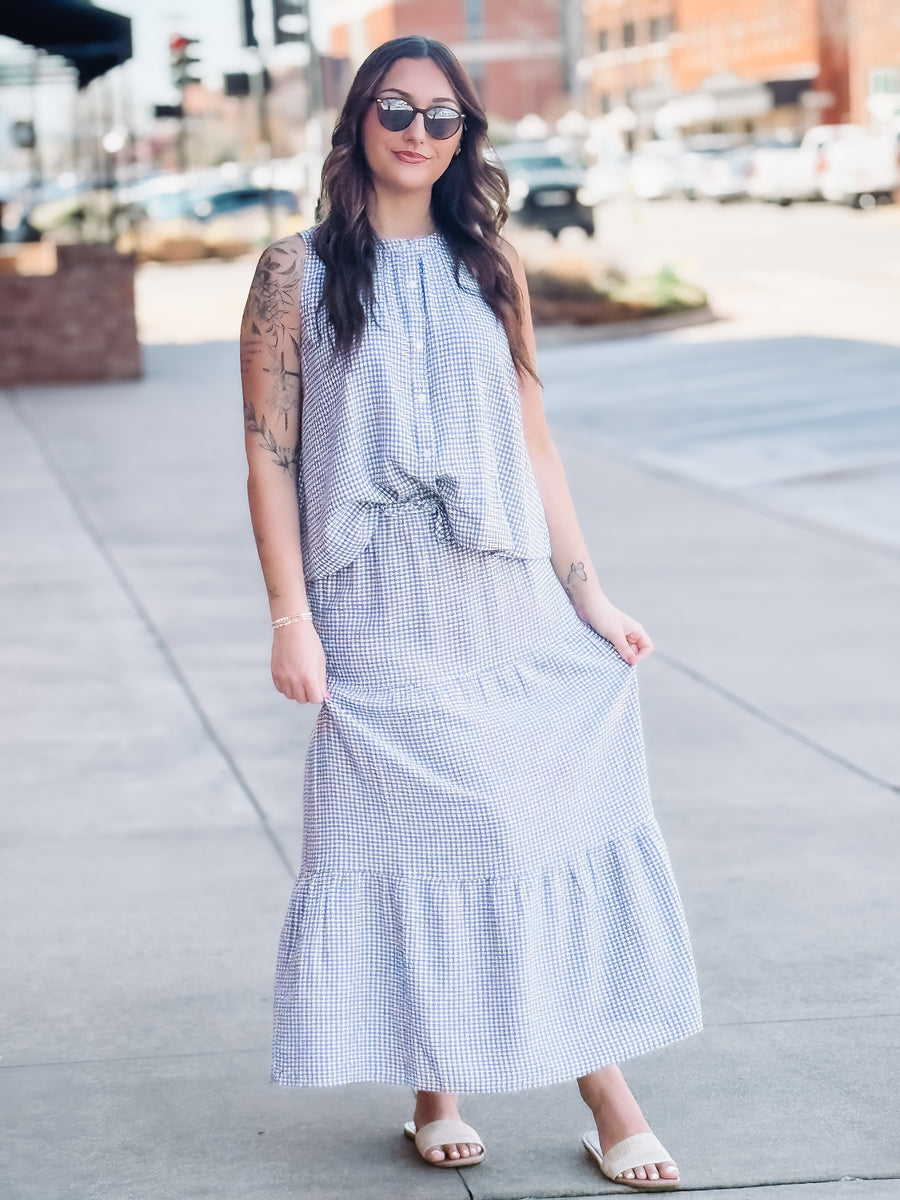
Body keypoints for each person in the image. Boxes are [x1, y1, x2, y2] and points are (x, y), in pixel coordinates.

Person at [239, 34, 702, 1192]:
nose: (418, 132)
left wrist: (589, 594)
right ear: (357, 121)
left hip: (499, 595)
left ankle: (603, 1089)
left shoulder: (489, 265)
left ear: (466, 143)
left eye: (445, 119)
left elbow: (534, 439)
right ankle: (440, 1084)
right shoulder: (293, 271)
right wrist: (288, 618)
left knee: (530, 827)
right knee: (419, 839)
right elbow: (268, 457)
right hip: (376, 603)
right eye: (397, 108)